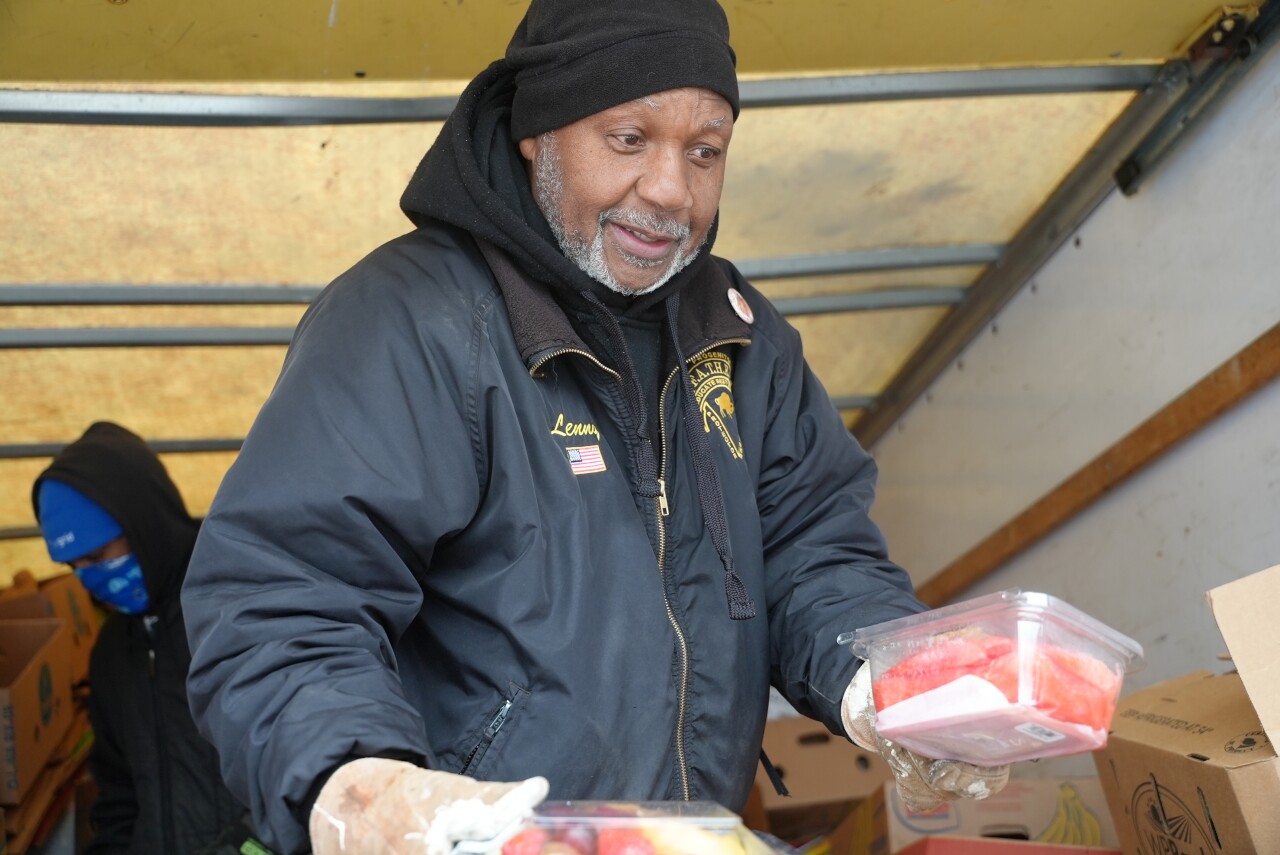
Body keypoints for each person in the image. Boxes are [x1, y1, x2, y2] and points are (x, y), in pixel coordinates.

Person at [181, 2, 1008, 853]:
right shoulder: (412, 324)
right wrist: (356, 784)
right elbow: (285, 596)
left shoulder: (744, 338)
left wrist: (885, 680)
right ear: (537, 131)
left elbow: (811, 549)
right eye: (629, 139)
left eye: (705, 149)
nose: (670, 190)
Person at [32, 422, 266, 855]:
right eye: (75, 566)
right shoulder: (111, 655)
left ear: (141, 519)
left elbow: (306, 754)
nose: (90, 579)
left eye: (99, 556)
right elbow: (117, 801)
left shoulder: (241, 604)